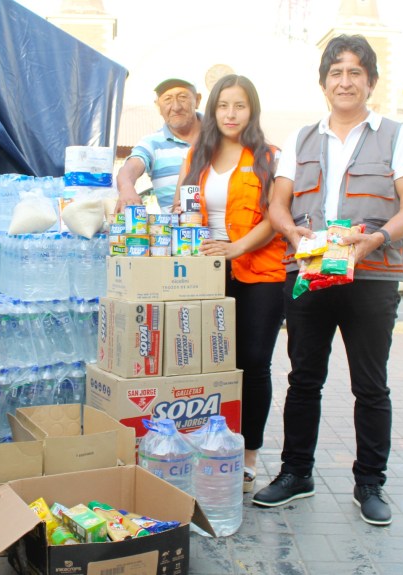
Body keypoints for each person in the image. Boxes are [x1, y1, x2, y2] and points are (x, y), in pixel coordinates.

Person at [253, 34, 403, 526]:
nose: (345, 81)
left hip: (372, 275)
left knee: (371, 385)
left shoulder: (397, 135)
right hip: (310, 272)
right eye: (336, 73)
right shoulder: (303, 138)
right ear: (324, 83)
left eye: (355, 72)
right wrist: (291, 232)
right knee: (304, 379)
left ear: (370, 81)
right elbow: (278, 204)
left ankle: (369, 483)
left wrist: (375, 238)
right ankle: (295, 474)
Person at [173, 74, 286, 493]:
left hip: (261, 272)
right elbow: (182, 209)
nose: (231, 114)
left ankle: (249, 455)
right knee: (215, 364)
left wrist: (235, 248)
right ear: (213, 109)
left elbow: (276, 217)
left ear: (251, 110)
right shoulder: (197, 155)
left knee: (254, 362)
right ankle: (213, 444)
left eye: (239, 106)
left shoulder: (268, 157)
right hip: (206, 272)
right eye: (223, 106)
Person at [115, 78, 202, 213]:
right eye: (167, 99)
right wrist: (126, 188)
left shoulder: (220, 136)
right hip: (177, 232)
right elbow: (129, 169)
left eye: (183, 97)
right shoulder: (152, 144)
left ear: (197, 100)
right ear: (157, 106)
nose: (176, 107)